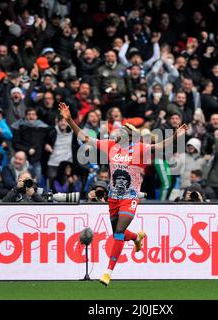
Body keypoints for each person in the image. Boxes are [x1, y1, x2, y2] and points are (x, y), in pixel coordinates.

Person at [58, 101, 187, 286]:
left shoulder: (139, 148)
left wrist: (175, 136)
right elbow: (85, 138)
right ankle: (137, 237)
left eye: (122, 130)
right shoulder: (110, 146)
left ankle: (108, 272)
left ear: (129, 135)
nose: (117, 132)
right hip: (113, 197)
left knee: (118, 232)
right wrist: (70, 120)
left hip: (130, 196)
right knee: (119, 233)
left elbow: (159, 147)